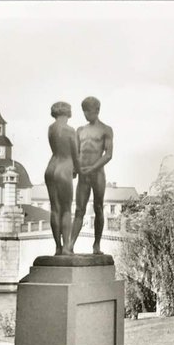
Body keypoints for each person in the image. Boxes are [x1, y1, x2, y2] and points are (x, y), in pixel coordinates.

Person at [69, 96, 113, 255]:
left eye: (89, 111)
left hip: (97, 174)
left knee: (98, 207)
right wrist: (74, 169)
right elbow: (76, 152)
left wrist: (93, 168)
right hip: (83, 175)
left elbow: (108, 154)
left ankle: (96, 245)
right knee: (79, 210)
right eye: (84, 112)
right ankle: (70, 245)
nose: (86, 114)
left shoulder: (106, 129)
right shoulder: (80, 130)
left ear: (97, 110)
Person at [44, 101, 79, 255]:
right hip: (65, 167)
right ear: (67, 112)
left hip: (51, 167)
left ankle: (57, 247)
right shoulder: (70, 130)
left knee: (55, 209)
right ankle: (66, 247)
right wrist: (77, 169)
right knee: (66, 209)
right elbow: (75, 154)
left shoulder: (50, 128)